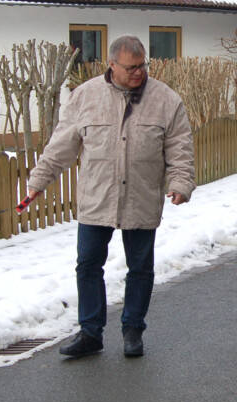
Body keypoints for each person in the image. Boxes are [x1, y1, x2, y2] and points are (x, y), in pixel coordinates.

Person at [21, 35, 195, 358]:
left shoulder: (167, 100)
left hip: (142, 196)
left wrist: (181, 182)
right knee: (88, 265)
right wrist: (39, 181)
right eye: (131, 67)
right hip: (97, 197)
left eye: (142, 65)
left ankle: (133, 330)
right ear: (111, 65)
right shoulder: (85, 97)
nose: (138, 72)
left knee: (140, 268)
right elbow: (61, 146)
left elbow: (180, 147)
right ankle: (90, 332)